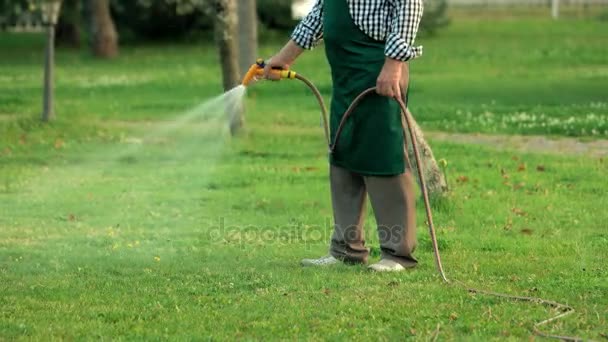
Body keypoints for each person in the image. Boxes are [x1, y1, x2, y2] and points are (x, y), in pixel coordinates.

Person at [264, 0, 424, 272]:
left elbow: (410, 5)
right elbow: (322, 11)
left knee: (382, 153)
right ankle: (345, 250)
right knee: (342, 149)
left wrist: (394, 64)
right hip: (345, 72)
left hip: (379, 65)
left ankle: (398, 254)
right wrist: (285, 56)